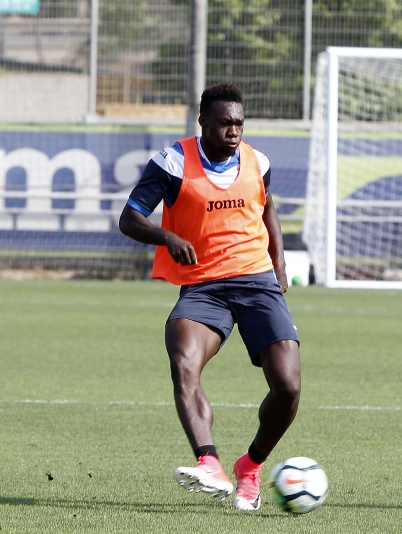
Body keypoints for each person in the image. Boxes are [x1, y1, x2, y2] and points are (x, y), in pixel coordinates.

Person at [118, 83, 301, 512]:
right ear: (202, 121)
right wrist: (167, 237)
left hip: (256, 280)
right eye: (223, 123)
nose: (233, 131)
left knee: (289, 386)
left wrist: (279, 264)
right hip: (203, 286)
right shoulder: (172, 163)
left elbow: (267, 209)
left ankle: (250, 466)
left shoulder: (258, 161)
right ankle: (209, 464)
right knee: (183, 361)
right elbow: (129, 218)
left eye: (239, 123)